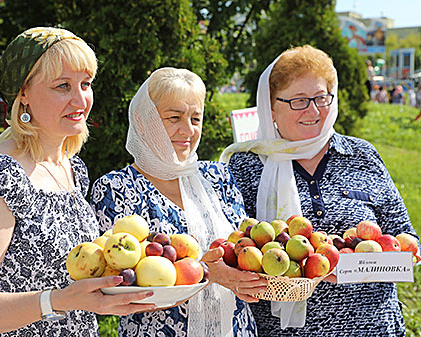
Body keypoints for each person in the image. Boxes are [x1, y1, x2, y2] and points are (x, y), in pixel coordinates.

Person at [0, 27, 155, 337]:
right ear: (24, 94)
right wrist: (56, 301)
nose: (80, 99)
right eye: (63, 86)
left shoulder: (72, 168)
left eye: (85, 84)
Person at [220, 45, 420, 336]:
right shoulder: (246, 166)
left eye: (321, 98)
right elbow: (232, 247)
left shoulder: (362, 155)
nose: (314, 111)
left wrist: (397, 252)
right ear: (271, 107)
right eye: (299, 101)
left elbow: (403, 232)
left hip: (374, 327)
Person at [91, 67, 266, 337]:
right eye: (174, 117)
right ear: (142, 119)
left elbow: (241, 244)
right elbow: (121, 280)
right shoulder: (116, 188)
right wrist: (206, 272)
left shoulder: (217, 176)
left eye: (195, 118)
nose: (187, 130)